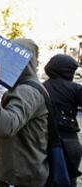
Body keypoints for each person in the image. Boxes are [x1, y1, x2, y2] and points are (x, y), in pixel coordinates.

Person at [0, 39, 49, 187]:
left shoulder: (26, 91)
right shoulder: (22, 86)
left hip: (18, 176)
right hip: (13, 172)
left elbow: (6, 127)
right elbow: (17, 122)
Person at [43, 54, 82, 187]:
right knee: (68, 180)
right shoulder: (76, 89)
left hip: (45, 140)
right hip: (70, 141)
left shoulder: (41, 88)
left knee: (47, 180)